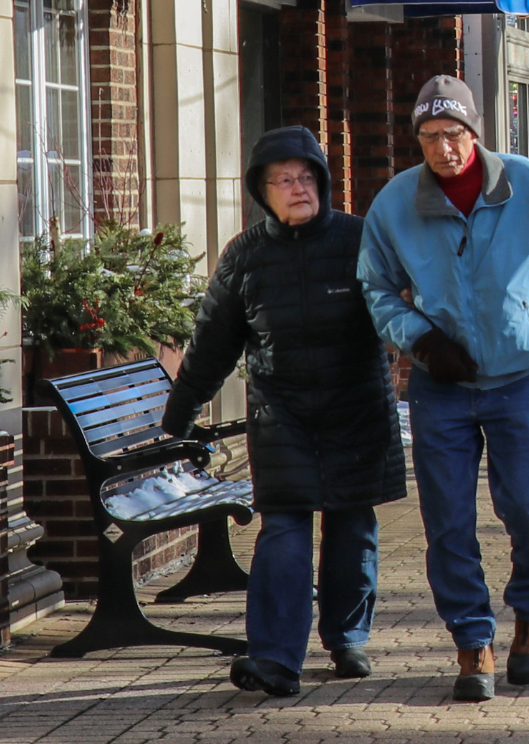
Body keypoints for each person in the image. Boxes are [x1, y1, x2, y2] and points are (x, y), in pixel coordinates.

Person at [358, 75, 529, 702]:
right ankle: (471, 638)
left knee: (527, 512)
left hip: (518, 383)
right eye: (429, 137)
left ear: (475, 132)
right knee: (447, 522)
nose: (443, 149)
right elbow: (374, 288)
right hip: (441, 388)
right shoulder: (397, 204)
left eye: (453, 134)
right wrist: (422, 342)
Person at [162, 126, 405, 699]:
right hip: (284, 418)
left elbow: (401, 310)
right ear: (261, 192)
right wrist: (179, 417)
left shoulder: (359, 240)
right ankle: (274, 658)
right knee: (285, 531)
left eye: (306, 176)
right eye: (283, 180)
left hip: (356, 410)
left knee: (351, 527)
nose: (298, 188)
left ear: (321, 179)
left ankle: (347, 636)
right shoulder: (245, 257)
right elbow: (212, 345)